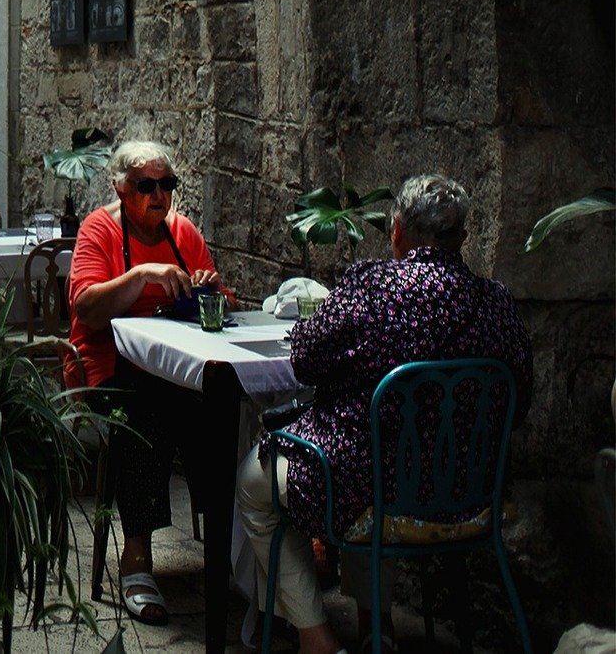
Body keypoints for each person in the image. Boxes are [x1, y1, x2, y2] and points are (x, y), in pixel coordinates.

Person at [236, 173, 534, 654]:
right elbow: (519, 400)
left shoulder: (373, 288)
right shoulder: (496, 302)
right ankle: (379, 627)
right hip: (469, 497)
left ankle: (317, 639)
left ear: (396, 230)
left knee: (258, 484)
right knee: (382, 463)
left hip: (371, 493)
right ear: (461, 237)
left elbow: (305, 358)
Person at [66, 138, 222, 624]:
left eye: (166, 185)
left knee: (220, 411)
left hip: (174, 368)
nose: (159, 196)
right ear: (120, 188)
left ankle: (232, 550)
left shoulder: (182, 231)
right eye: (146, 186)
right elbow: (85, 307)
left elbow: (221, 296)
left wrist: (207, 291)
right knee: (143, 411)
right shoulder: (100, 230)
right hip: (107, 366)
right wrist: (142, 277)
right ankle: (136, 557)